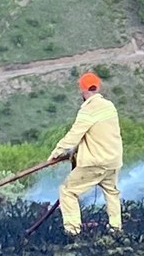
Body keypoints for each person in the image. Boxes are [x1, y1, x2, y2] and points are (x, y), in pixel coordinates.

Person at [48, 70, 123, 238]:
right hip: (113, 161)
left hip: (95, 163)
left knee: (67, 191)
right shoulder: (109, 106)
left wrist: (56, 152)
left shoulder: (88, 110)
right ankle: (116, 229)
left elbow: (74, 135)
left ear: (82, 90)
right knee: (111, 192)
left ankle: (73, 232)